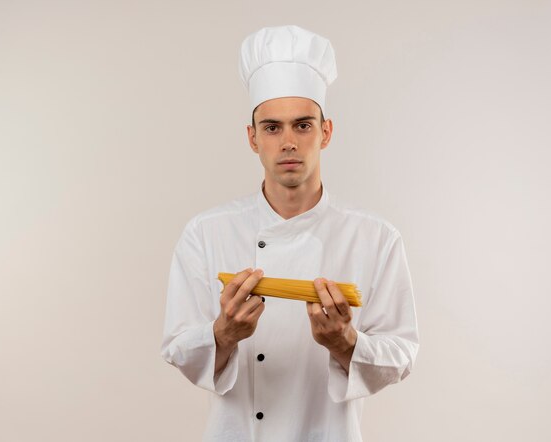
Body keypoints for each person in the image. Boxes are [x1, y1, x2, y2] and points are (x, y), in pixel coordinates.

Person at [161, 25, 419, 442]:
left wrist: (346, 342)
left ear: (326, 132)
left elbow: (402, 354)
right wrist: (224, 333)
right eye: (272, 127)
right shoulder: (205, 233)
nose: (288, 143)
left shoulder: (375, 237)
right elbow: (178, 349)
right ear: (252, 138)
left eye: (302, 126)